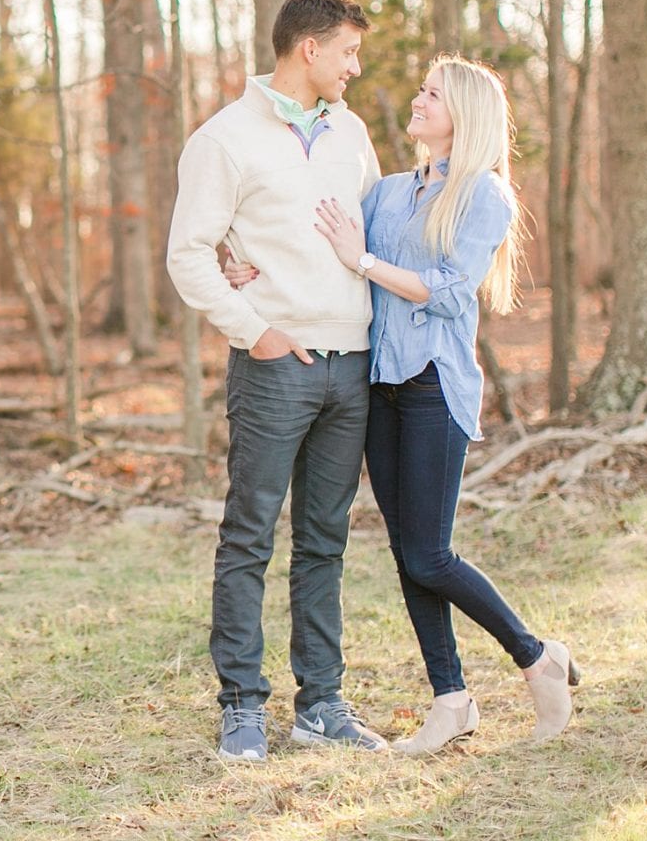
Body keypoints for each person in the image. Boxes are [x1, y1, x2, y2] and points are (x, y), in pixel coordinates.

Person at [238, 54, 579, 753]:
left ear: (465, 115)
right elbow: (314, 232)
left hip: (433, 384)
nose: (418, 100)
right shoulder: (390, 191)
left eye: (431, 94)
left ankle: (536, 654)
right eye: (422, 89)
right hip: (381, 386)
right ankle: (450, 695)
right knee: (408, 550)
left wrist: (364, 262)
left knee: (429, 552)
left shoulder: (484, 195)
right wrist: (239, 258)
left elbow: (452, 290)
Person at [166, 0, 387, 762]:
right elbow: (188, 253)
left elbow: (372, 232)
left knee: (325, 540)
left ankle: (320, 703)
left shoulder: (352, 133)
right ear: (309, 50)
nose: (355, 67)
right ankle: (241, 705)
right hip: (274, 367)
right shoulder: (224, 140)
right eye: (348, 52)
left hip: (350, 363)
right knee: (250, 536)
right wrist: (253, 330)